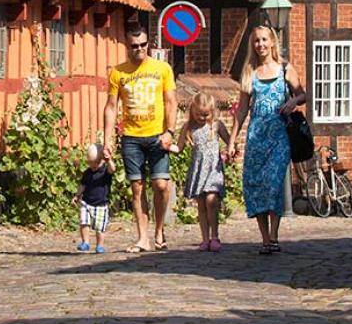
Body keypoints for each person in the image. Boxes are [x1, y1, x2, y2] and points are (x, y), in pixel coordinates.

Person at [230, 25, 308, 255]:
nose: (261, 44)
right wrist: (233, 139)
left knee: (273, 183)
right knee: (256, 184)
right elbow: (242, 109)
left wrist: (293, 102)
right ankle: (265, 238)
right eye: (256, 41)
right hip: (256, 136)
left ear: (272, 42)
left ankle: (274, 234)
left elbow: (302, 94)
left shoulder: (285, 69)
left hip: (279, 135)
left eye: (264, 40)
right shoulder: (249, 72)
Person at [103, 25, 177, 253]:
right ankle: (143, 237)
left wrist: (170, 132)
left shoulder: (162, 69)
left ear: (149, 44)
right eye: (134, 46)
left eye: (143, 45)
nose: (139, 49)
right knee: (137, 187)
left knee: (161, 184)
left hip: (157, 135)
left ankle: (159, 230)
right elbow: (111, 107)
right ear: (127, 46)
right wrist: (107, 140)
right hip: (131, 137)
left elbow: (171, 102)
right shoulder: (118, 72)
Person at [180, 92, 231, 252]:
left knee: (211, 200)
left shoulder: (216, 125)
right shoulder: (188, 127)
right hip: (198, 169)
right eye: (198, 114)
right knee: (201, 204)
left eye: (205, 114)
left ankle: (215, 236)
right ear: (192, 111)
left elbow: (229, 142)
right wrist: (167, 147)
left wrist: (231, 151)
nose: (201, 118)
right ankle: (205, 238)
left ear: (212, 111)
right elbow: (179, 147)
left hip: (213, 169)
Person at [73, 142, 114, 254]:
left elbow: (113, 169)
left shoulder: (106, 171)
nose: (93, 165)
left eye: (96, 162)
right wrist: (77, 195)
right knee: (84, 222)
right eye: (90, 162)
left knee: (100, 227)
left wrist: (109, 160)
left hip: (101, 204)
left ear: (102, 160)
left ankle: (100, 245)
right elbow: (83, 185)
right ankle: (85, 242)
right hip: (86, 202)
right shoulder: (87, 173)